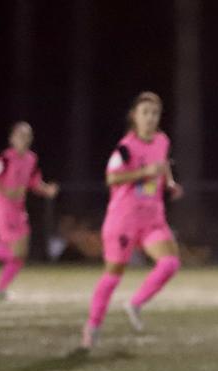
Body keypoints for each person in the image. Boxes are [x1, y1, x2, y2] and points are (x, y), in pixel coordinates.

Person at [77, 91, 184, 352]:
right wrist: (143, 172)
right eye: (145, 113)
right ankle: (92, 326)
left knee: (170, 263)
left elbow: (162, 163)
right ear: (134, 116)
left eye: (155, 113)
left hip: (152, 217)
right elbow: (111, 178)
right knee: (113, 275)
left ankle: (135, 303)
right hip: (123, 219)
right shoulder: (126, 147)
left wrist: (169, 183)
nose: (150, 118)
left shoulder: (162, 140)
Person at [0, 122, 59, 301]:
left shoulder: (31, 159)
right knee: (15, 252)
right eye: (20, 135)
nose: (24, 139)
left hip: (19, 209)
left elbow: (34, 182)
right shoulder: (5, 158)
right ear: (12, 138)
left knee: (21, 254)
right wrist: (4, 190)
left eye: (27, 136)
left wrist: (47, 190)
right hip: (3, 208)